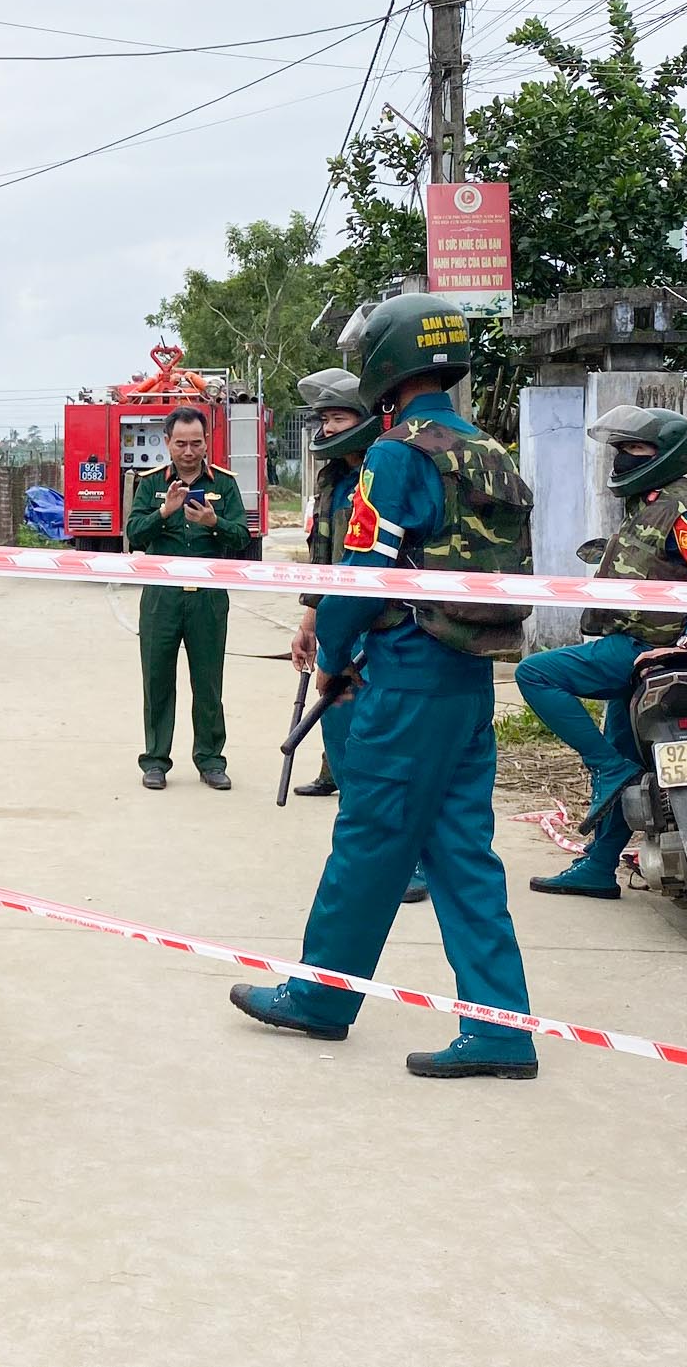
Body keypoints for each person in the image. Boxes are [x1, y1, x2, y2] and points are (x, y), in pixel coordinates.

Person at [230, 294, 539, 1078]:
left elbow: (365, 571)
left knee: (367, 840)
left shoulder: (397, 453)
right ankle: (499, 1026)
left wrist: (331, 651)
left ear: (384, 363)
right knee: (462, 852)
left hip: (403, 678)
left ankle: (321, 999)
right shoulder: (486, 448)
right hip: (469, 678)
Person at [519, 405, 687, 900]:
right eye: (620, 450)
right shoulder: (649, 506)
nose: (621, 459)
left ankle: (604, 766)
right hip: (643, 654)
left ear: (667, 456)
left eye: (636, 449)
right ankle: (600, 868)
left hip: (648, 652)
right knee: (629, 757)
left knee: (535, 675)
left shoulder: (684, 513)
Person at [286, 368, 431, 905]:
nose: (328, 427)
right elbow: (325, 560)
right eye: (322, 418)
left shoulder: (383, 470)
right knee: (341, 741)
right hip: (340, 632)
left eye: (339, 416)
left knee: (387, 758)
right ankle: (368, 854)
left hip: (386, 634)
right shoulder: (330, 480)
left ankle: (409, 866)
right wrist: (311, 621)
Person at [126, 405, 248, 791]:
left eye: (196, 443)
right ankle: (156, 760)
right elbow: (135, 534)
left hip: (208, 599)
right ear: (167, 443)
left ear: (207, 442)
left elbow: (243, 537)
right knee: (157, 679)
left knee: (208, 681)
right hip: (162, 598)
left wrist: (214, 523)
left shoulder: (225, 484)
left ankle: (211, 759)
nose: (189, 452)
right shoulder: (150, 484)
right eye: (181, 444)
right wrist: (165, 511)